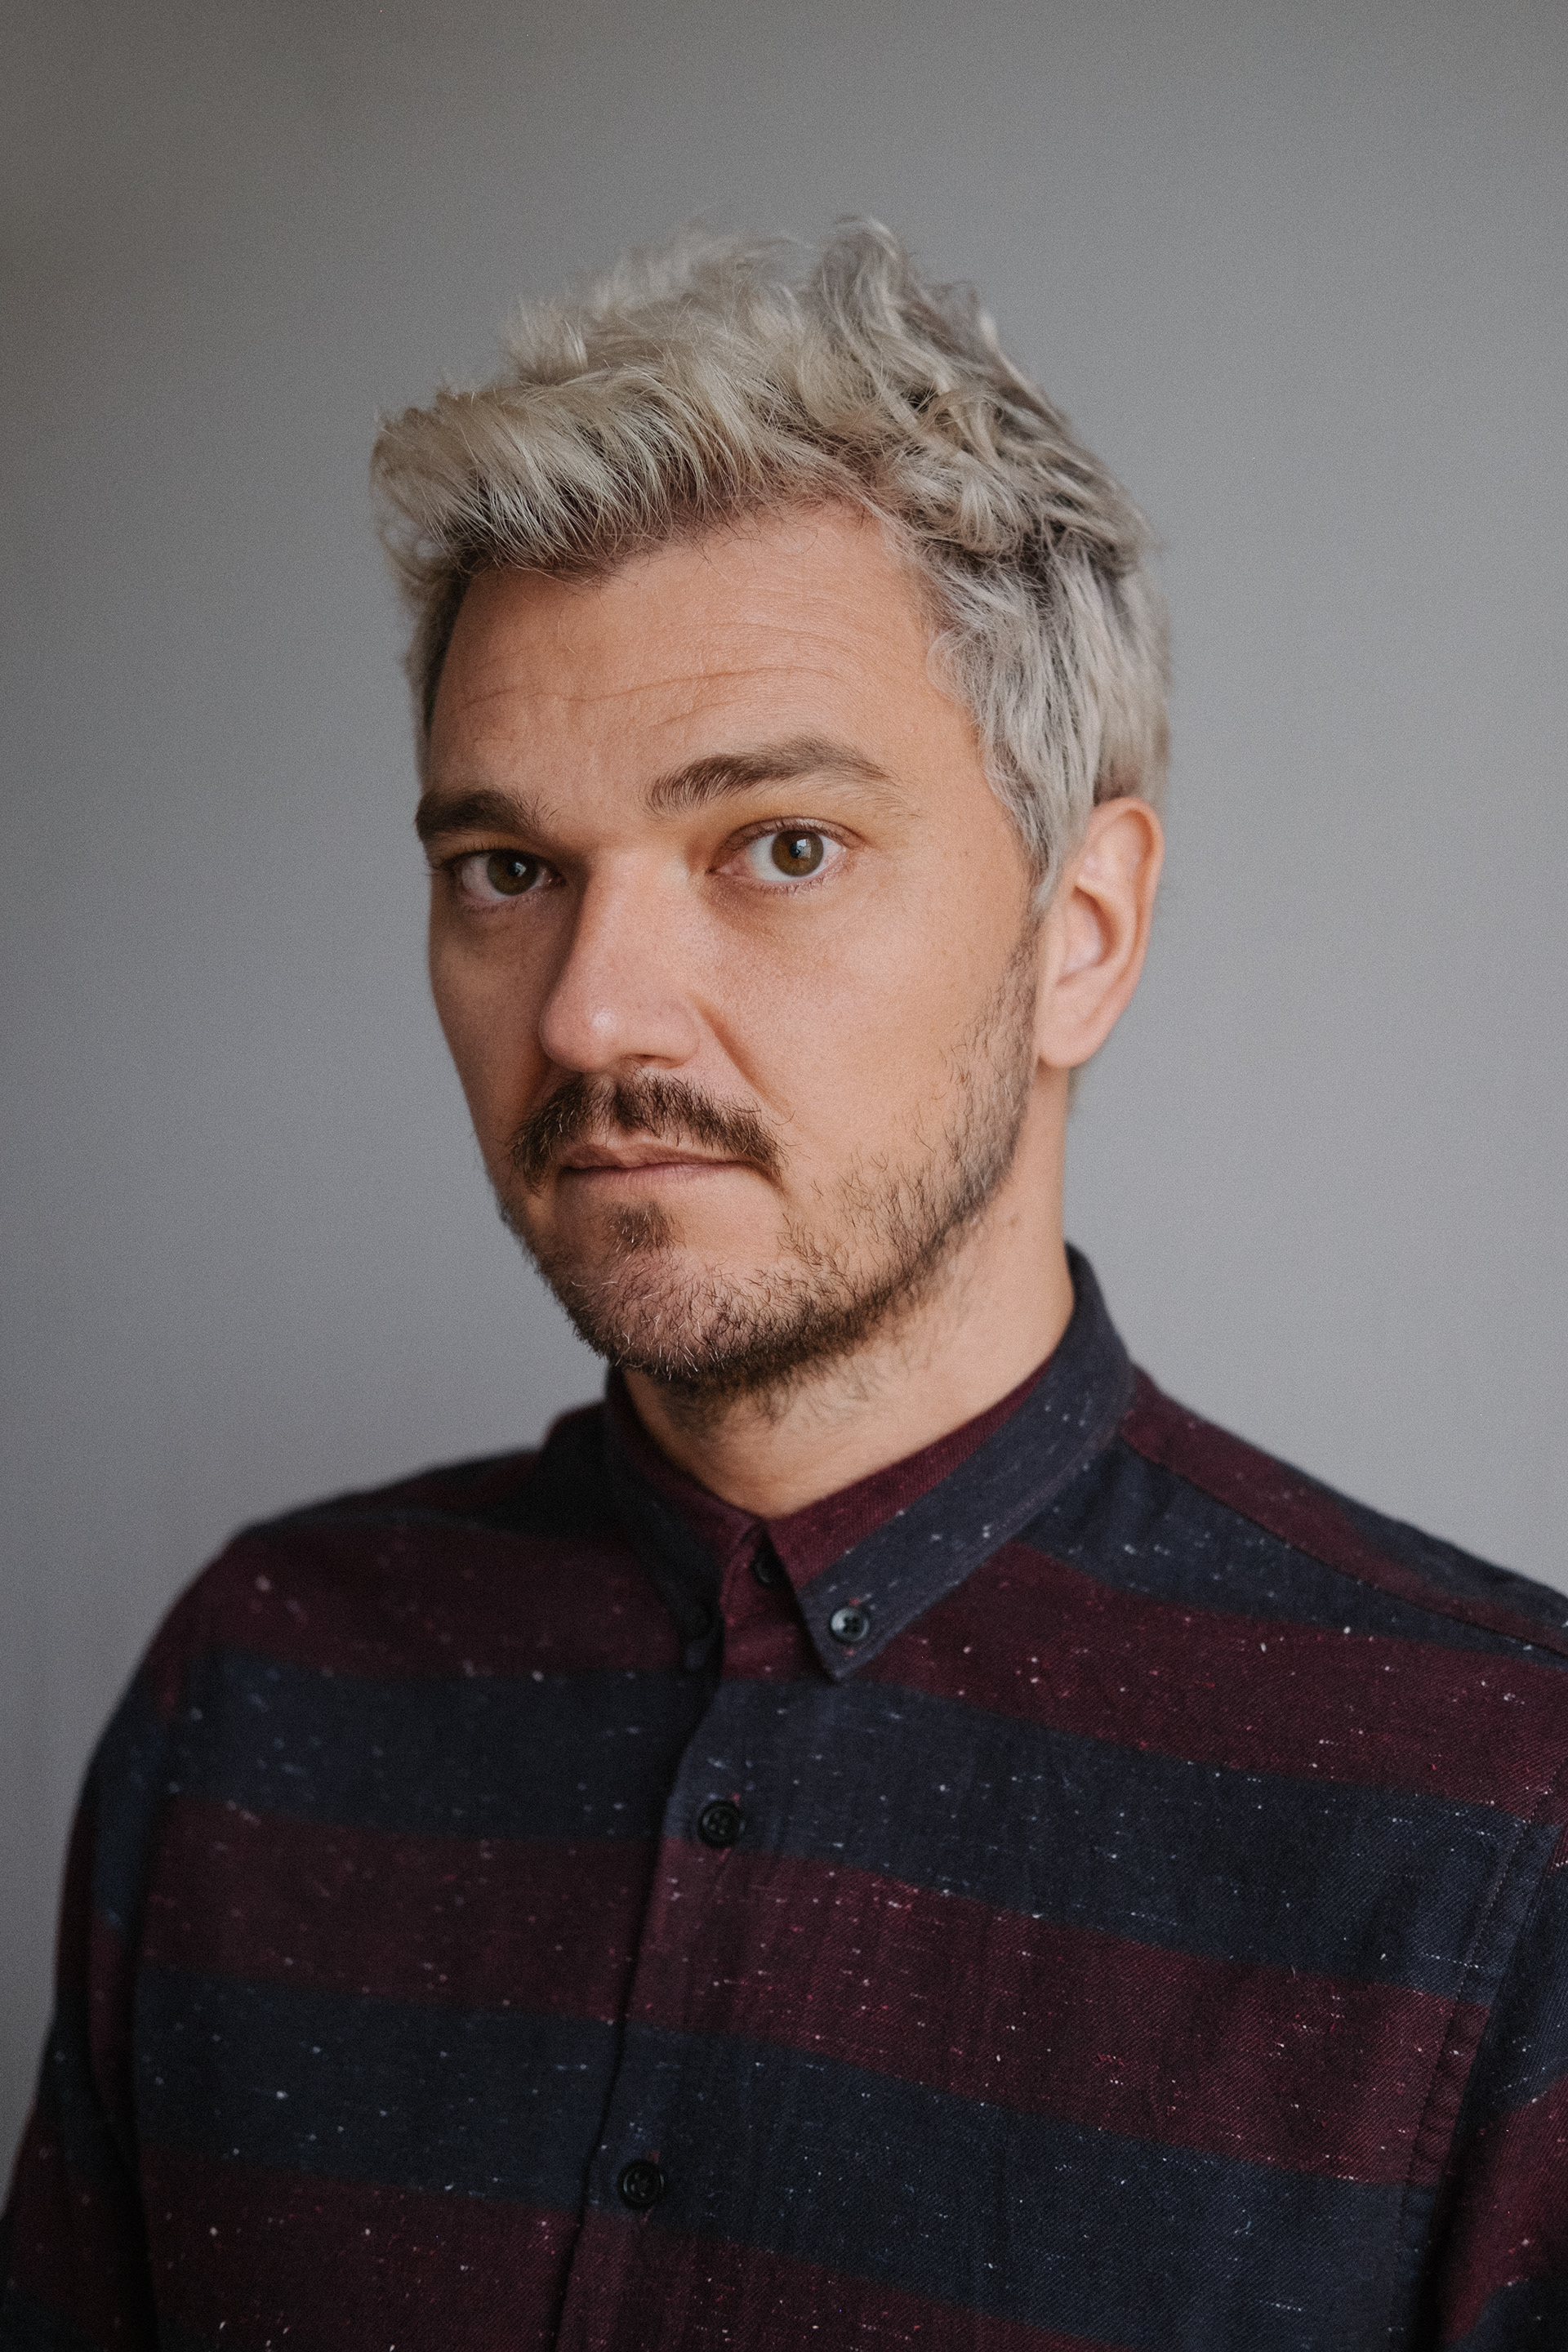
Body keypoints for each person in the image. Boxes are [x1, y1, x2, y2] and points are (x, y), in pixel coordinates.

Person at [3, 221, 1566, 2352]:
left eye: (781, 845)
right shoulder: (253, 1693)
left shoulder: (1493, 1821)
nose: (590, 1014)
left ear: (1083, 933)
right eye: (506, 870)